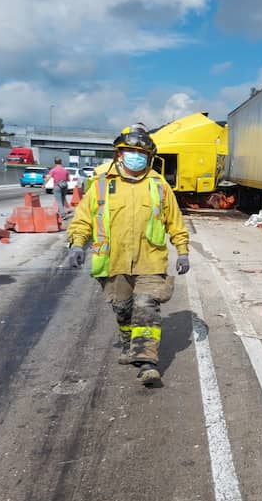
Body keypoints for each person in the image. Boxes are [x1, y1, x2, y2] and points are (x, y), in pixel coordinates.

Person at [65, 123, 190, 385]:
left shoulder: (159, 186)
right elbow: (83, 220)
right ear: (119, 154)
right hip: (114, 261)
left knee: (146, 308)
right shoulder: (101, 185)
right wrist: (78, 244)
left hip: (150, 260)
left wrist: (182, 251)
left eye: (142, 153)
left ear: (150, 158)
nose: (136, 157)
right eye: (130, 151)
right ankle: (127, 341)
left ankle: (146, 362)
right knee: (123, 309)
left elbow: (175, 222)